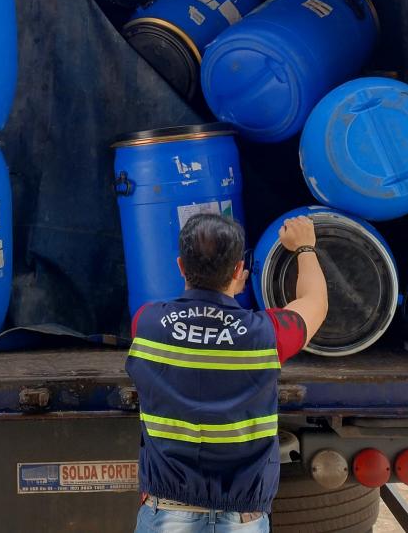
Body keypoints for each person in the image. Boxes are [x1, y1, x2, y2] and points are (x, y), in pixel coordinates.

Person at [126, 213, 329, 532]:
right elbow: (315, 301)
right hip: (242, 520)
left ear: (180, 266)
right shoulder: (267, 334)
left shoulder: (147, 324)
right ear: (238, 270)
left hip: (166, 513)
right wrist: (304, 247)